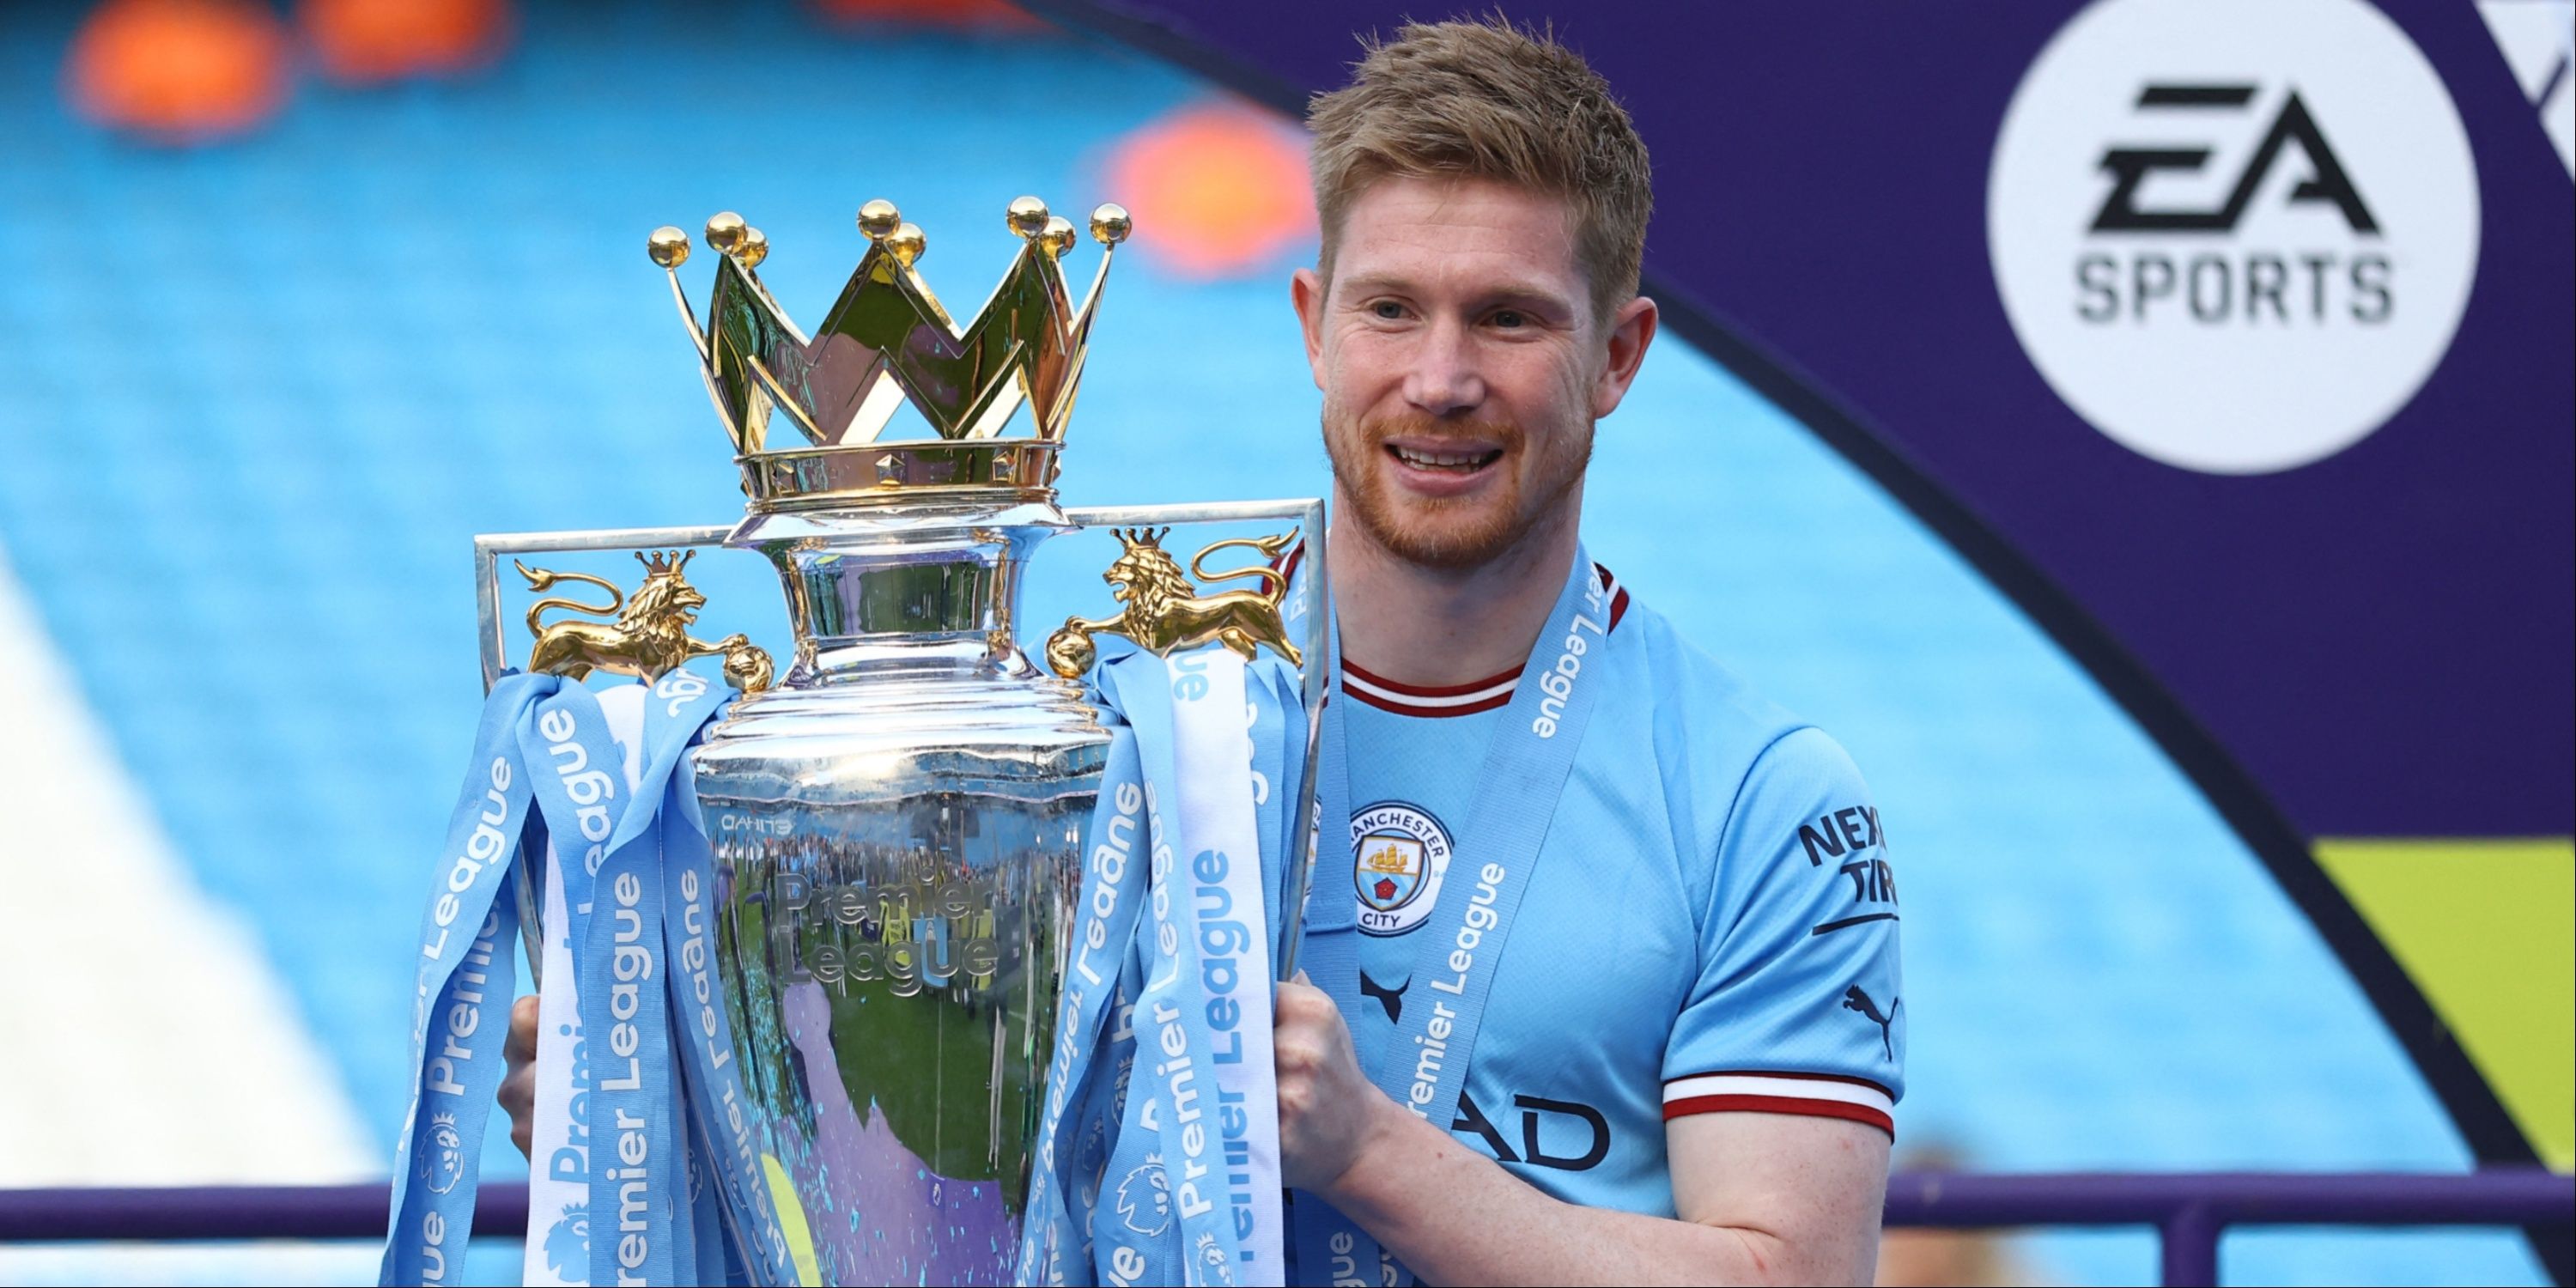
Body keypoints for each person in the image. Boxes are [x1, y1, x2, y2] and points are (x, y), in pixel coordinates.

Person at [504, 18, 1902, 1285]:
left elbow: (1790, 1279)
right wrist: (663, 1086)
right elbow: (927, 1185)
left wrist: (1369, 1151)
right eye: (1392, 308)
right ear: (1313, 329)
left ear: (1620, 355)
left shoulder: (1757, 795)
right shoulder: (1082, 735)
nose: (1442, 378)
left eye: (1512, 317)